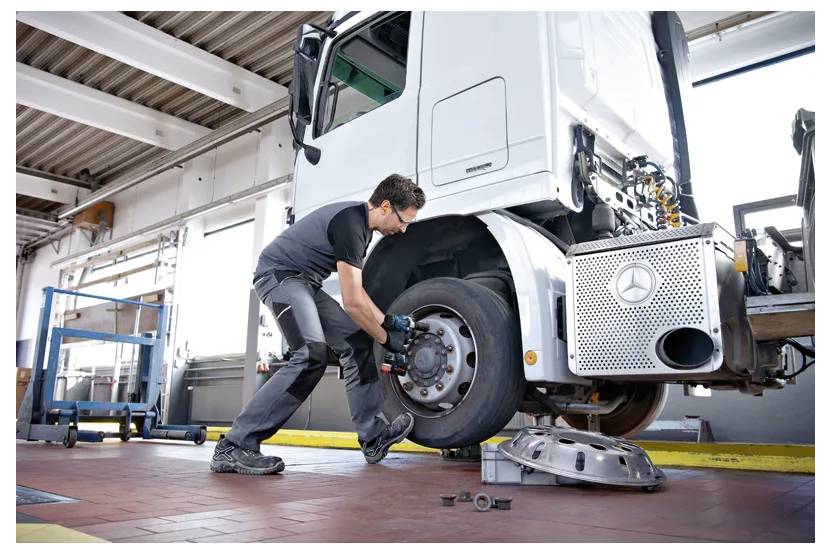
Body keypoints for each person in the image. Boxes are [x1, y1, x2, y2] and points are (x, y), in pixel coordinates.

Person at [211, 174, 426, 475]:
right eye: (404, 221)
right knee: (311, 353)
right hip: (279, 276)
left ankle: (373, 436)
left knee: (357, 343)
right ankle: (235, 445)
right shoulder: (351, 225)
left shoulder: (362, 229)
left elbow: (357, 292)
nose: (403, 230)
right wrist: (385, 339)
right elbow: (352, 304)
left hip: (306, 284)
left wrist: (386, 322)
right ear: (386, 206)